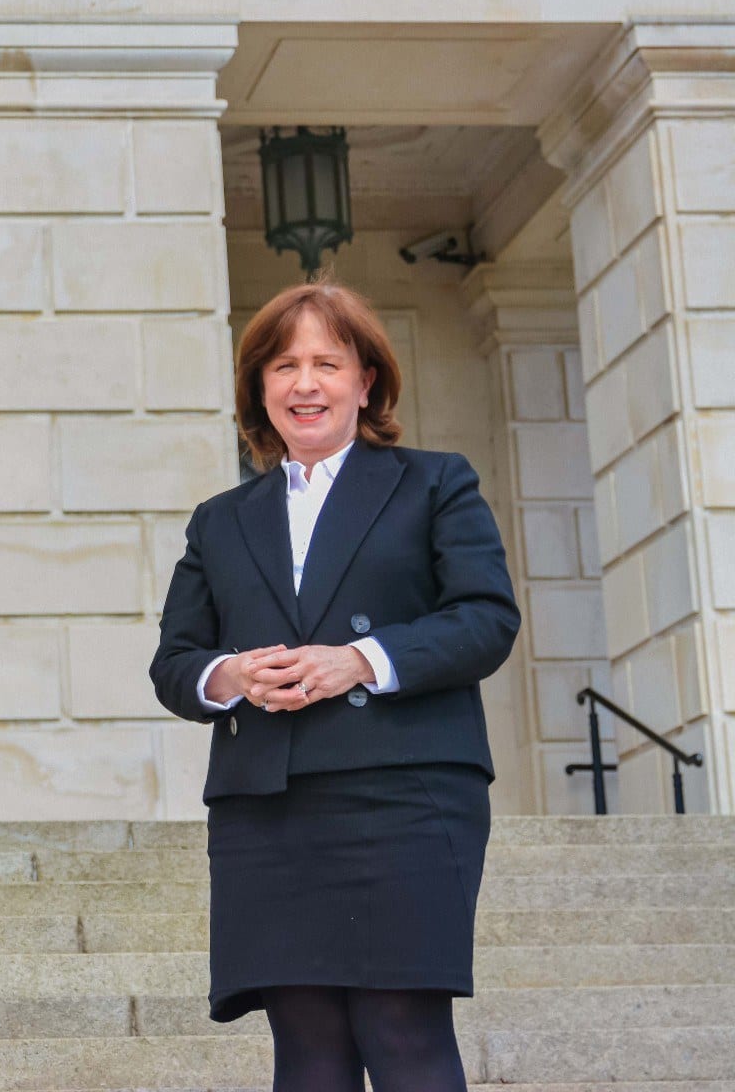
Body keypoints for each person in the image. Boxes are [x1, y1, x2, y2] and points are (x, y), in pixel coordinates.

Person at [150, 279, 519, 1092]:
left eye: (327, 362)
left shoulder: (434, 483)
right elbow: (176, 663)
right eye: (283, 366)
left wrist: (362, 660)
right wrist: (234, 675)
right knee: (306, 1041)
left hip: (407, 793)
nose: (305, 384)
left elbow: (487, 619)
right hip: (268, 802)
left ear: (367, 382)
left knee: (402, 1028)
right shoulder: (221, 519)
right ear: (260, 390)